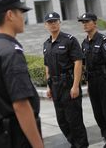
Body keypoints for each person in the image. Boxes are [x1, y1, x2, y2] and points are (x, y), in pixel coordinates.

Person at [0, 0, 43, 148]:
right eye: (20, 12)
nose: (23, 18)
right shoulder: (11, 52)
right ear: (10, 15)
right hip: (17, 136)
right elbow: (20, 105)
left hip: (0, 135)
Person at [43, 12, 89, 148]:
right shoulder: (46, 44)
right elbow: (47, 66)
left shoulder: (69, 40)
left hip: (68, 84)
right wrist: (48, 86)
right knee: (62, 121)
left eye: (55, 21)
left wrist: (75, 86)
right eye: (50, 22)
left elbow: (78, 62)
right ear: (46, 25)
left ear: (59, 22)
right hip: (55, 86)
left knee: (74, 120)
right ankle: (74, 144)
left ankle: (81, 146)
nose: (53, 24)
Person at [78, 13, 106, 148]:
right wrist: (87, 83)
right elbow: (84, 64)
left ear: (95, 23)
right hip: (92, 82)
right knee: (98, 114)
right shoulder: (84, 43)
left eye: (87, 21)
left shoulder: (104, 40)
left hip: (104, 81)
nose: (84, 24)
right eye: (83, 22)